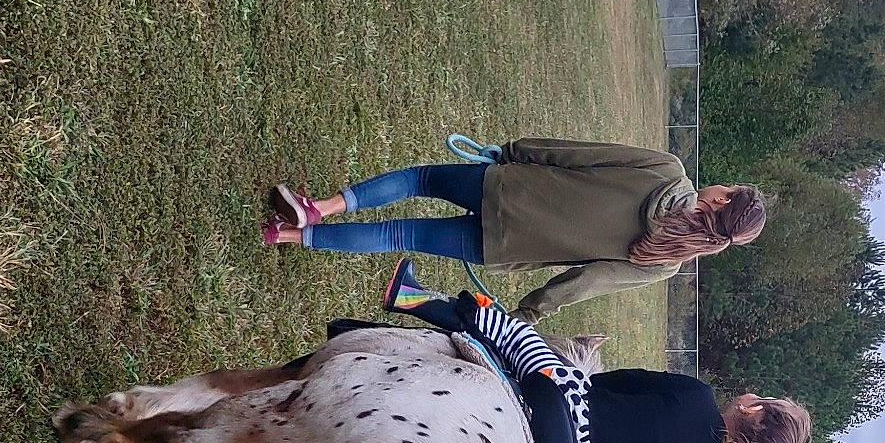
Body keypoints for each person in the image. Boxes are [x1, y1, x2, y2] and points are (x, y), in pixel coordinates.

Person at [379, 258, 811, 443]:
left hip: (567, 410)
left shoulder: (696, 397)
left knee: (512, 332)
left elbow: (615, 382)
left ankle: (410, 296)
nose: (755, 396)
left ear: (755, 411)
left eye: (763, 399)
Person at [262, 138, 767, 322]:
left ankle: (318, 208)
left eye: (729, 186)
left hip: (506, 188)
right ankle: (290, 236)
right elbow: (584, 284)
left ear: (721, 199)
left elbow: (581, 156)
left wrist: (516, 151)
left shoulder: (668, 170)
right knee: (401, 237)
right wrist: (531, 311)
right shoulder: (666, 262)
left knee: (420, 180)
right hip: (503, 246)